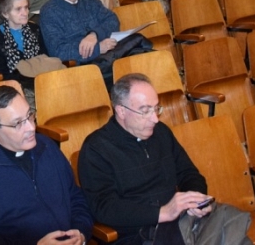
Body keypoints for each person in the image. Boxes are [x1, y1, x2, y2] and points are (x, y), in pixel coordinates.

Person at [78, 73, 216, 244]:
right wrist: (162, 213)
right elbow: (104, 207)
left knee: (235, 228)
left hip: (181, 223)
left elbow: (189, 174)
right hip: (138, 235)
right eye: (145, 111)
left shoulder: (161, 133)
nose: (155, 118)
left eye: (156, 108)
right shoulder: (97, 148)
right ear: (121, 111)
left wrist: (194, 200)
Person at [0, 85, 93, 245]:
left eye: (30, 116)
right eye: (18, 123)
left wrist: (81, 232)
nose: (31, 127)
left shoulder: (47, 146)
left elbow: (75, 196)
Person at [40, 0, 120, 66]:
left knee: (138, 43)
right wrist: (98, 48)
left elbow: (112, 20)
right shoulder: (49, 12)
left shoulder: (90, 0)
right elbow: (58, 51)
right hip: (84, 65)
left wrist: (94, 34)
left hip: (109, 54)